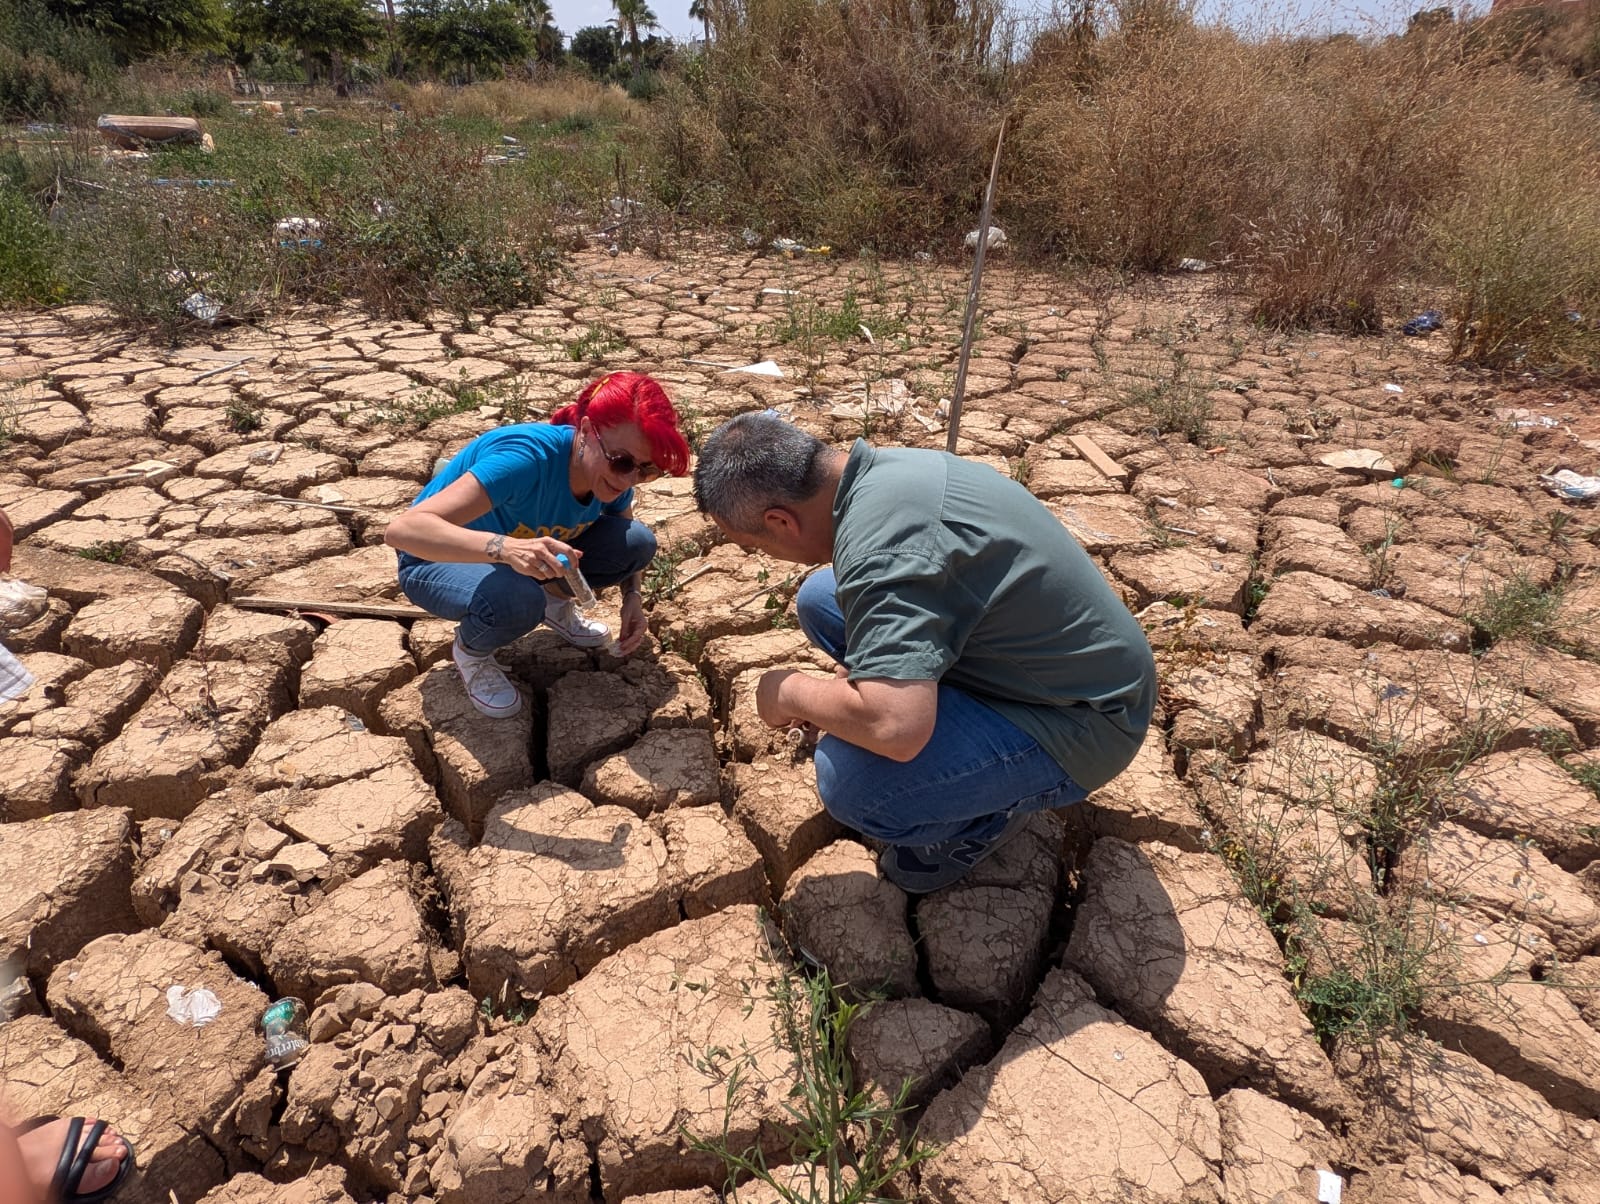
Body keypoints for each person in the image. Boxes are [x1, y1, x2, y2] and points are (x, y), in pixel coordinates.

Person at [692, 413, 1157, 893]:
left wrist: (786, 692)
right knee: (820, 598)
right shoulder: (884, 472)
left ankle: (984, 821)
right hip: (1053, 667)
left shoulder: (882, 555)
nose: (764, 557)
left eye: (756, 546)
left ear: (780, 522)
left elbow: (896, 730)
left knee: (851, 781)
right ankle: (917, 692)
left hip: (1086, 720)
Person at [385, 372, 691, 718]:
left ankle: (553, 603)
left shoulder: (611, 469)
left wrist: (632, 598)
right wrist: (506, 549)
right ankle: (472, 651)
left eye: (646, 470)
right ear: (588, 432)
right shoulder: (525, 458)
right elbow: (404, 530)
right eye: (622, 463)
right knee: (516, 599)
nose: (630, 479)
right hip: (434, 559)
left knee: (636, 542)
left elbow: (624, 532)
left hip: (518, 560)